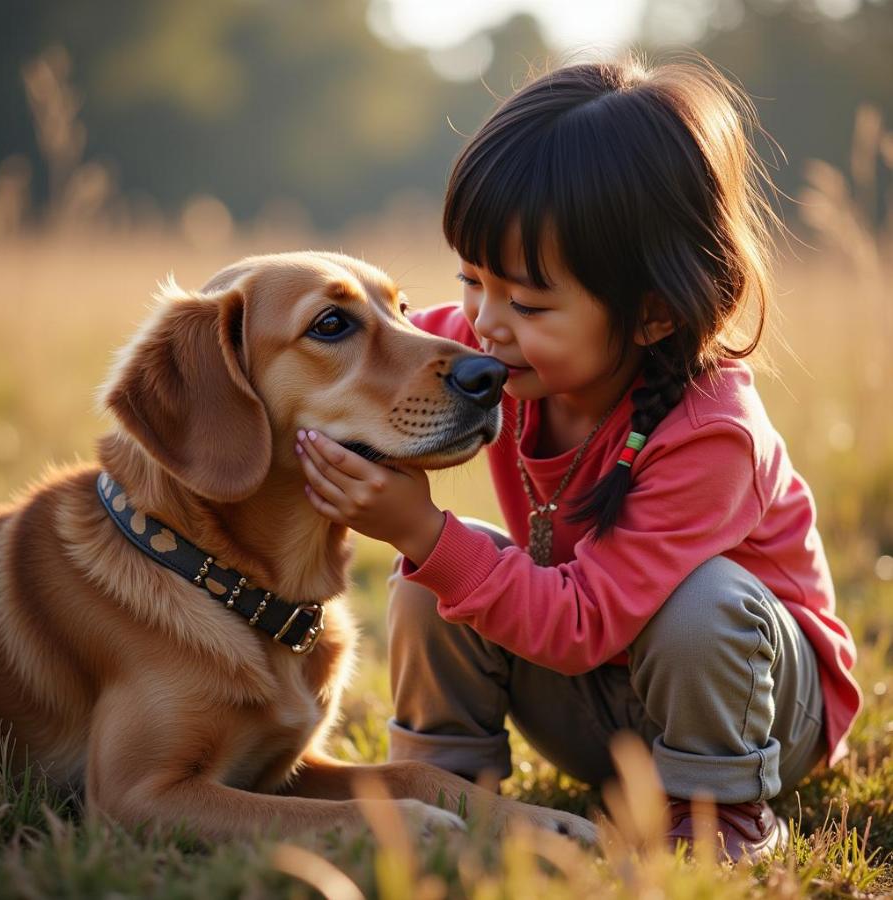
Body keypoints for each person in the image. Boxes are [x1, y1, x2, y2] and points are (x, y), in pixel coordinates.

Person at [294, 56, 862, 861]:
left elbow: (584, 622)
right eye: (471, 281)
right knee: (433, 584)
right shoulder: (493, 351)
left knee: (703, 602)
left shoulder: (712, 434)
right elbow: (368, 362)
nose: (485, 324)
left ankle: (719, 820)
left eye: (527, 302)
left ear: (655, 313)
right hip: (597, 703)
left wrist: (421, 528)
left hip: (752, 710)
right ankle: (445, 790)